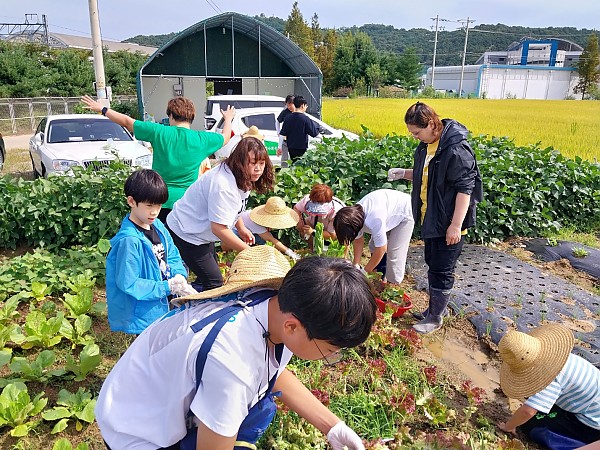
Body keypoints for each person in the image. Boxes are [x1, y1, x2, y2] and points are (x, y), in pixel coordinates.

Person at [95, 245, 376, 450]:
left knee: (261, 406)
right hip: (134, 433)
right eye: (331, 350)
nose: (331, 356)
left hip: (144, 395)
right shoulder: (234, 362)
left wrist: (333, 427)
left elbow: (274, 372)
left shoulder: (280, 306)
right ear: (293, 327)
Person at [388, 101, 482, 334]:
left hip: (449, 222)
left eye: (417, 132)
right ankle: (433, 310)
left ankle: (435, 318)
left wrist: (456, 225)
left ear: (431, 124)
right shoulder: (426, 146)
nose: (415, 137)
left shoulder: (455, 149)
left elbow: (465, 190)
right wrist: (404, 173)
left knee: (442, 269)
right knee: (433, 264)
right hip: (431, 217)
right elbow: (427, 176)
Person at [81, 95, 235, 223]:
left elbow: (127, 121)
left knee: (159, 244)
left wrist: (103, 109)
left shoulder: (159, 131)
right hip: (188, 202)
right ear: (192, 117)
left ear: (171, 116)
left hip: (158, 200)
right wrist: (228, 119)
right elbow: (226, 137)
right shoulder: (202, 139)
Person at [166, 137, 275, 291]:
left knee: (209, 276)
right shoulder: (223, 184)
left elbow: (233, 209)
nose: (258, 168)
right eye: (253, 163)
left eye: (261, 163)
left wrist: (242, 228)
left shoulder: (242, 177)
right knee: (214, 281)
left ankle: (188, 293)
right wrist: (249, 253)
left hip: (200, 231)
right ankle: (185, 305)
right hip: (186, 233)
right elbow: (219, 228)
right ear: (240, 161)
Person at [105, 169, 196, 334]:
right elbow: (129, 282)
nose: (154, 212)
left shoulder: (158, 226)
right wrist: (167, 287)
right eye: (149, 206)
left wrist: (179, 276)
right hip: (143, 314)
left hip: (163, 304)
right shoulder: (129, 241)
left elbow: (172, 254)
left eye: (159, 206)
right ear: (131, 201)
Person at [497, 324, 600, 447]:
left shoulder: (551, 378)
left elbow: (528, 412)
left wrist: (509, 426)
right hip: (589, 404)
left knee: (531, 426)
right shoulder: (562, 358)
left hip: (591, 425)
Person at [333, 189, 414, 285]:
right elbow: (358, 241)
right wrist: (356, 265)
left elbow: (381, 249)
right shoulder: (352, 217)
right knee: (372, 246)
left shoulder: (374, 219)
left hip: (406, 211)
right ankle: (380, 277)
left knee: (394, 253)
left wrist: (364, 272)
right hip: (388, 209)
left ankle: (393, 285)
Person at [222, 196, 302, 260]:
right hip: (234, 230)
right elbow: (272, 240)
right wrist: (289, 252)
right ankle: (228, 254)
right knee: (229, 242)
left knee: (264, 243)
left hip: (250, 231)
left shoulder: (260, 222)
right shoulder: (255, 223)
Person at [294, 183, 346, 251]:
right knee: (305, 225)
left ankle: (324, 249)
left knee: (333, 244)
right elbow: (296, 209)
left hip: (333, 231)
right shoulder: (307, 200)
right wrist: (299, 222)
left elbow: (332, 235)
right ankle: (312, 248)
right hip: (314, 223)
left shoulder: (336, 212)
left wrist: (313, 232)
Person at [279, 95, 320, 163]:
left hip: (291, 148)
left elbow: (282, 134)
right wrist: (323, 138)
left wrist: (279, 147)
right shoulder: (305, 119)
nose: (306, 107)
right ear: (302, 105)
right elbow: (314, 133)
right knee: (301, 166)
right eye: (306, 106)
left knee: (293, 164)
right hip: (302, 148)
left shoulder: (288, 118)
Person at [277, 94, 295, 168]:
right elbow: (277, 121)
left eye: (290, 104)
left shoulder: (299, 112)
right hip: (285, 140)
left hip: (295, 141)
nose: (289, 107)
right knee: (284, 158)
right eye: (287, 105)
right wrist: (278, 131)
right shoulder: (285, 112)